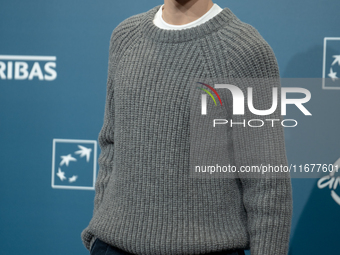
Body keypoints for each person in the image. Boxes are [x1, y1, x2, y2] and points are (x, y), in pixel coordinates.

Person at [81, 1, 293, 255]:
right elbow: (111, 142)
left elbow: (267, 180)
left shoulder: (244, 50)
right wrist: (99, 226)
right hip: (112, 245)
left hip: (206, 248)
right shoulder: (125, 36)